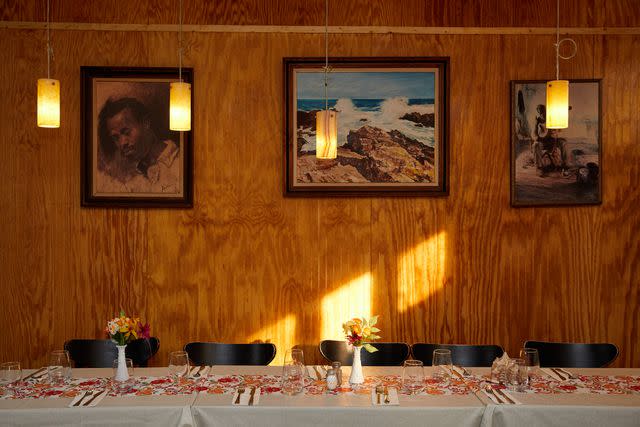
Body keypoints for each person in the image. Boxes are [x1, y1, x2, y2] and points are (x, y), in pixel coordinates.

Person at [96, 97, 180, 194]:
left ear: (146, 123)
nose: (122, 143)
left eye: (126, 132)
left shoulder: (180, 163)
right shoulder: (129, 179)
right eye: (116, 138)